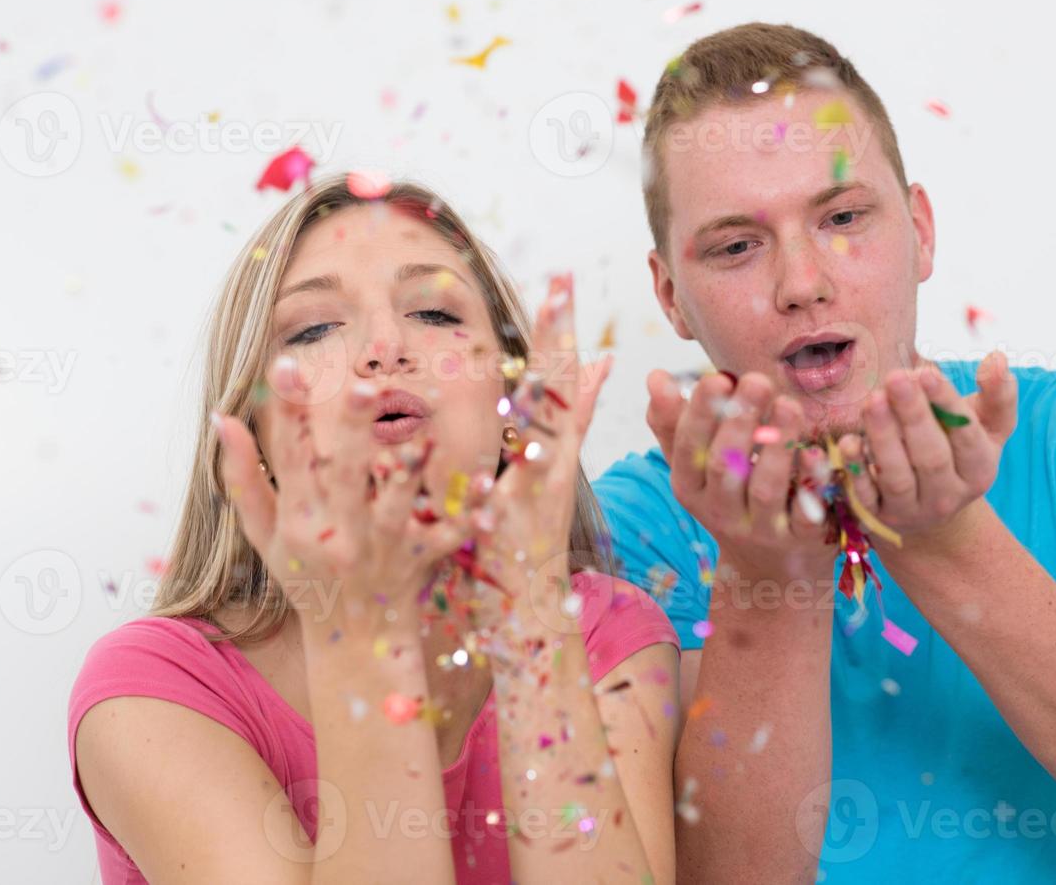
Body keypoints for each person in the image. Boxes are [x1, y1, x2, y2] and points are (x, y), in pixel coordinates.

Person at [593, 23, 1056, 884]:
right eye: (735, 247)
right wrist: (772, 572)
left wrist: (942, 535)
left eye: (841, 218)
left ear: (920, 230)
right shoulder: (636, 528)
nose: (802, 283)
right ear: (669, 297)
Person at [67, 175, 680, 884]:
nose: (385, 346)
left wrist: (527, 603)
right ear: (254, 432)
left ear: (511, 402)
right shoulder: (154, 687)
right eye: (315, 328)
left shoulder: (605, 631)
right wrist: (360, 626)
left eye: (434, 313)